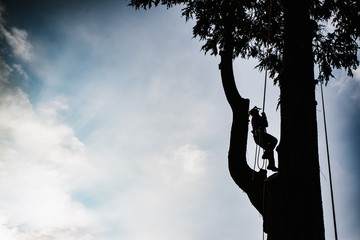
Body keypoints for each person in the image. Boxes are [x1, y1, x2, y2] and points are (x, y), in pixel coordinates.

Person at [249, 106, 278, 171]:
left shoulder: (256, 118)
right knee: (274, 140)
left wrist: (263, 117)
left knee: (269, 149)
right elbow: (265, 124)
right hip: (260, 136)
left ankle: (271, 164)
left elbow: (265, 124)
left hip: (259, 137)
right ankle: (267, 155)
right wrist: (264, 117)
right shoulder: (256, 118)